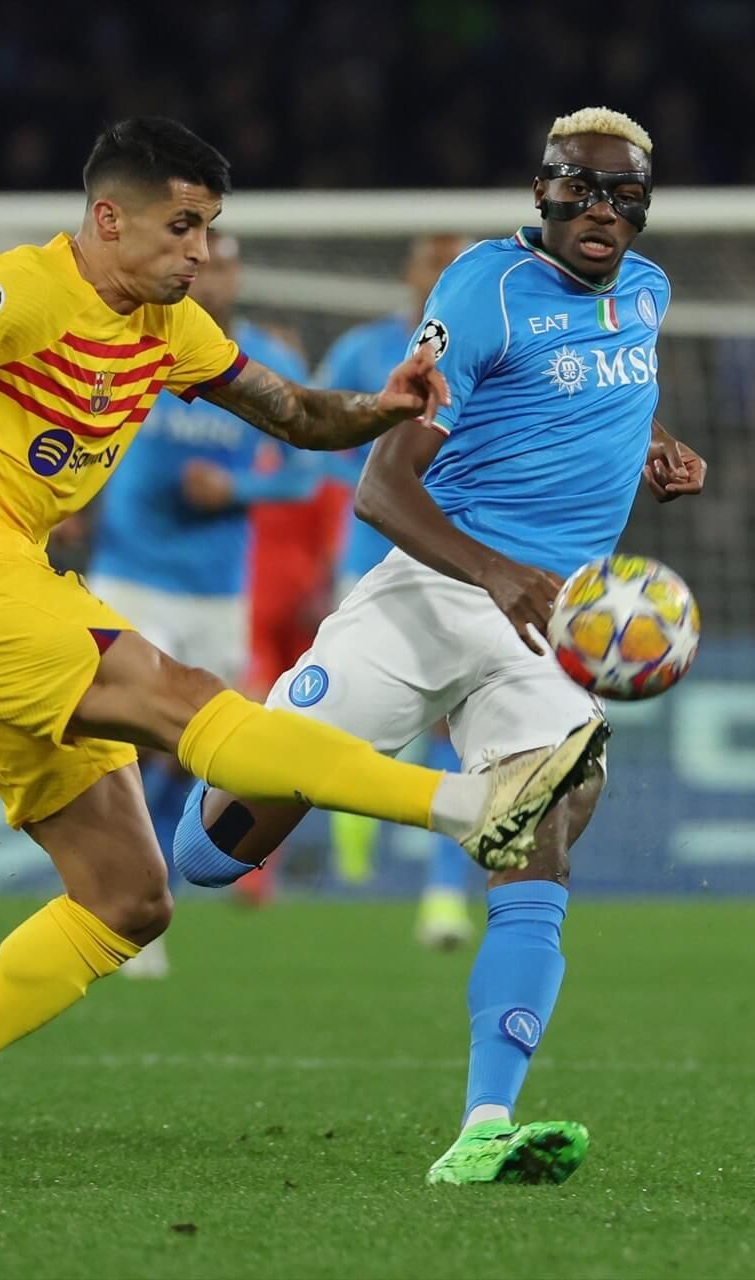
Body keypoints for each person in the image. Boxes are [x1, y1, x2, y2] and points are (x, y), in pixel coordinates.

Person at [0, 116, 610, 1196]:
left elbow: (295, 412)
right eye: (181, 227)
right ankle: (468, 804)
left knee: (129, 896)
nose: (199, 253)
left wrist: (385, 406)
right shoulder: (21, 288)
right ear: (108, 218)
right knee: (187, 701)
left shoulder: (168, 327)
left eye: (208, 228)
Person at [170, 107, 709, 1187]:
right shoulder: (483, 289)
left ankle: (484, 1125)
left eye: (623, 195)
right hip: (431, 590)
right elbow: (381, 485)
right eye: (580, 188)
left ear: (644, 207)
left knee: (547, 826)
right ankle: (368, 792)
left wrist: (648, 441)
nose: (601, 211)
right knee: (209, 848)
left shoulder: (646, 296)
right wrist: (496, 571)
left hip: (546, 629)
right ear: (542, 192)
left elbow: (587, 389)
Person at [86, 229, 320, 978]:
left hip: (219, 591)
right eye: (201, 259)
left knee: (196, 756)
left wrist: (238, 490)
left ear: (237, 276)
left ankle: (142, 885)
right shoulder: (136, 340)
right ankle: (125, 902)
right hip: (131, 572)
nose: (210, 272)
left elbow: (303, 476)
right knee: (140, 733)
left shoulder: (270, 365)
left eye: (224, 263)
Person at [312, 234, 480, 948]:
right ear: (408, 274)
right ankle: (351, 833)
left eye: (455, 262)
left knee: (454, 725)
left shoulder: (486, 346)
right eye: (430, 261)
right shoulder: (364, 347)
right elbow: (318, 438)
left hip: (454, 560)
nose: (441, 273)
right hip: (369, 555)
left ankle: (443, 899)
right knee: (356, 725)